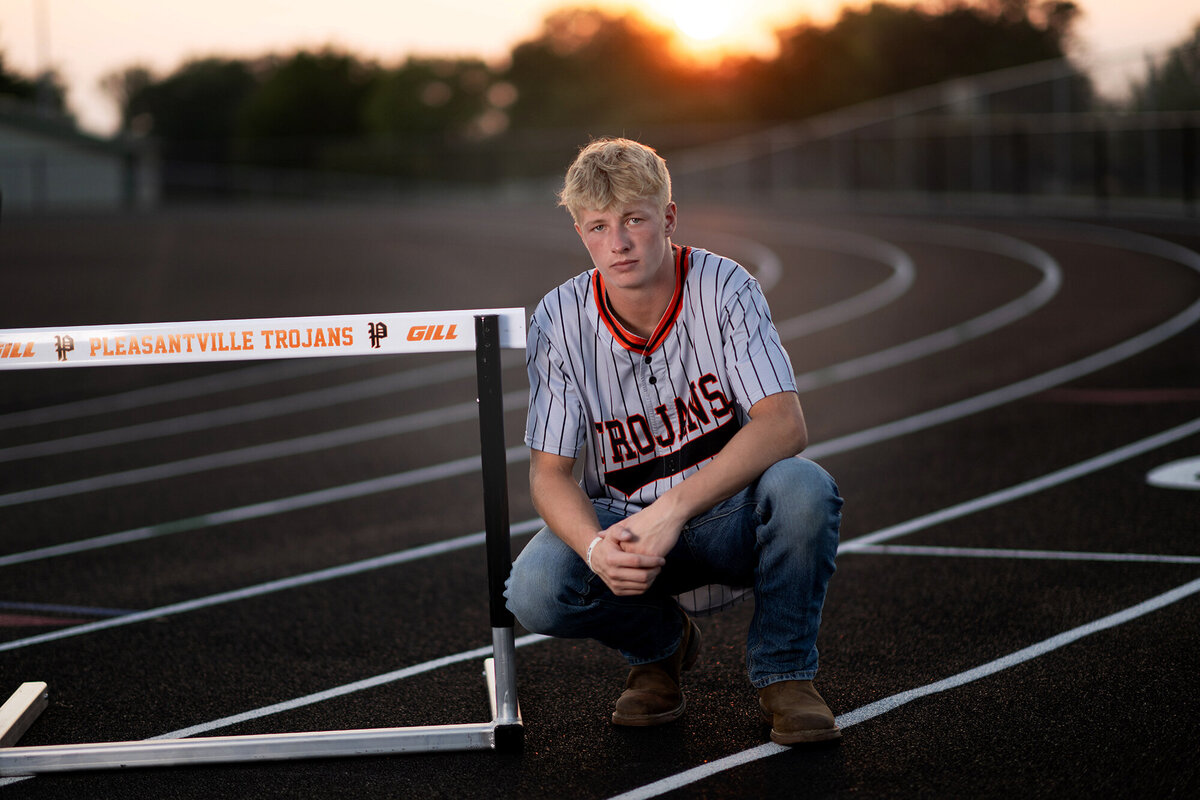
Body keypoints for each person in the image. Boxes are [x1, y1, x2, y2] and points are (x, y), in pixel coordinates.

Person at [505, 138, 843, 744]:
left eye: (634, 219)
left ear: (668, 216)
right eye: (597, 227)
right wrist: (594, 547)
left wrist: (673, 510)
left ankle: (786, 676)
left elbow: (784, 422)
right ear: (581, 233)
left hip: (728, 517)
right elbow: (549, 473)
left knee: (803, 487)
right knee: (533, 590)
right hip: (628, 531)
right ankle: (660, 650)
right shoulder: (558, 318)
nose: (619, 242)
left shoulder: (725, 286)